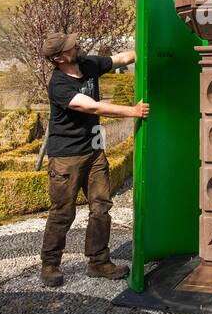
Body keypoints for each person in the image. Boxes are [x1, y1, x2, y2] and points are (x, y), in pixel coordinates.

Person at [39, 32, 149, 287]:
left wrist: (146, 47)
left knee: (101, 207)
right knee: (62, 213)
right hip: (66, 157)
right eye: (70, 46)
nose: (76, 45)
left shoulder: (88, 64)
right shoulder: (58, 85)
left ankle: (98, 261)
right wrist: (132, 111)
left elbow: (121, 58)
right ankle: (50, 265)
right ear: (59, 58)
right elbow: (92, 106)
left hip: (94, 151)